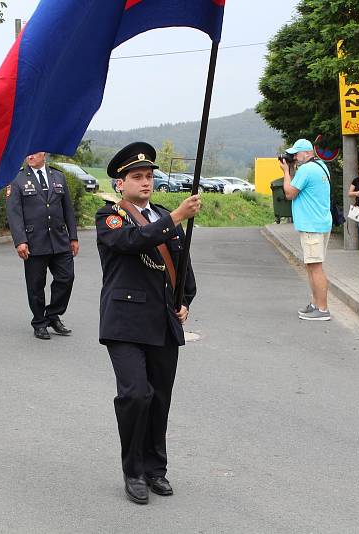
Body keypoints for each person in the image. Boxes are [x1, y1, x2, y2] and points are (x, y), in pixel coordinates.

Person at [97, 142, 199, 505]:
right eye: (137, 177)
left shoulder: (163, 214)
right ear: (120, 184)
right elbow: (131, 242)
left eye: (149, 176)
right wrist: (175, 219)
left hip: (162, 322)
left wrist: (184, 299)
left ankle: (156, 469)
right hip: (124, 321)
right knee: (135, 395)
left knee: (159, 399)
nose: (145, 182)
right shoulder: (110, 217)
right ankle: (133, 470)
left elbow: (182, 264)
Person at [6, 151, 79, 340]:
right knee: (36, 285)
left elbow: (68, 210)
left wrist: (73, 237)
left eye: (35, 152)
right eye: (27, 152)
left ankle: (53, 315)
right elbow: (14, 214)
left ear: (44, 153)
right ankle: (39, 322)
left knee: (66, 278)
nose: (30, 156)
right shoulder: (18, 179)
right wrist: (20, 241)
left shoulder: (58, 176)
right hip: (34, 241)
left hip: (59, 240)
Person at [280, 138, 332, 321]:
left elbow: (289, 193)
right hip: (320, 222)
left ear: (307, 153)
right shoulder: (321, 166)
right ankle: (315, 304)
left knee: (315, 267)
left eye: (296, 153)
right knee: (311, 265)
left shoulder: (307, 169)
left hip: (312, 225)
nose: (294, 157)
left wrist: (286, 171)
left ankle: (323, 309)